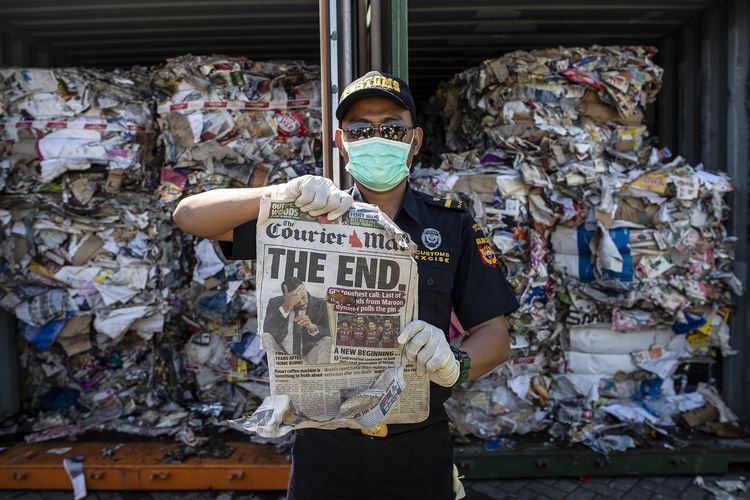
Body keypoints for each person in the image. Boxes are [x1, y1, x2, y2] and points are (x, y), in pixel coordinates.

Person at [173, 70, 519, 500]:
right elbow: (189, 216)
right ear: (341, 142)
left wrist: (455, 363)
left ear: (414, 140)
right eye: (360, 129)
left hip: (417, 448)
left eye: (391, 127)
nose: (377, 138)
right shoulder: (304, 214)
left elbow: (495, 335)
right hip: (324, 448)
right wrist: (282, 193)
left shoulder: (450, 224)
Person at [263, 276, 330, 359]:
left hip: (312, 356)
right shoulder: (275, 303)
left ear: (305, 290)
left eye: (303, 296)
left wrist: (312, 327)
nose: (301, 302)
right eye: (296, 300)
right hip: (283, 356)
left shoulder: (321, 305)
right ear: (285, 297)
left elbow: (330, 334)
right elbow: (267, 331)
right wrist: (286, 306)